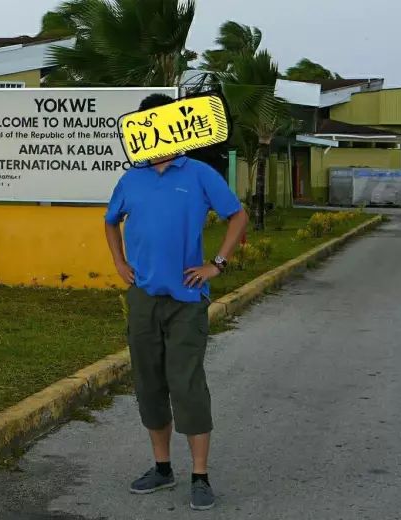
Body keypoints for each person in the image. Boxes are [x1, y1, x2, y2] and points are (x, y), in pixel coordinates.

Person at [104, 93, 248, 511]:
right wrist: (119, 262)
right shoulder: (132, 178)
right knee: (149, 384)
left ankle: (200, 476)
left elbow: (236, 216)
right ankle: (162, 468)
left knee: (186, 384)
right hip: (144, 298)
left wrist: (217, 264)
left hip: (187, 299)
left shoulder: (199, 173)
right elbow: (110, 221)